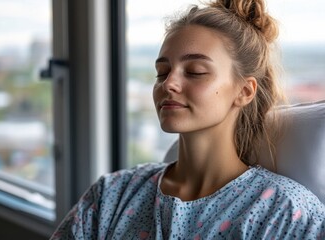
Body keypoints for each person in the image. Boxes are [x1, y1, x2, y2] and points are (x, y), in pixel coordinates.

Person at [50, 0, 325, 239]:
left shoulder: (285, 214)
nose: (168, 83)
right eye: (162, 72)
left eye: (195, 71)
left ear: (244, 91)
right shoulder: (111, 195)